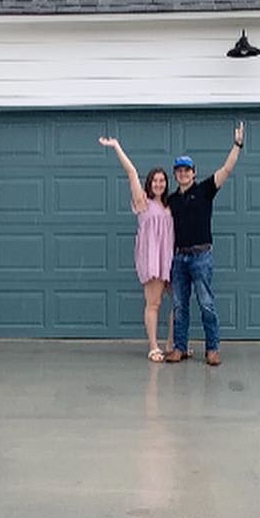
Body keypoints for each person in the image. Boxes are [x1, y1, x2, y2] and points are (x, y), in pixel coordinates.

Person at [166, 122, 245, 366]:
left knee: (206, 304)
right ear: (175, 174)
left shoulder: (205, 190)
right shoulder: (171, 200)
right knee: (180, 306)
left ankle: (212, 349)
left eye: (187, 170)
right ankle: (180, 348)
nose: (183, 174)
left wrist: (237, 145)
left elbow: (227, 169)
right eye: (179, 170)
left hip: (201, 257)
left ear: (194, 172)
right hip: (179, 258)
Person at [99, 137, 174, 362]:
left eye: (162, 181)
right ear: (149, 183)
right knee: (154, 303)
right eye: (155, 181)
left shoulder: (170, 205)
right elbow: (131, 172)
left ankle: (172, 343)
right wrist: (116, 146)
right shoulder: (142, 202)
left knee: (180, 303)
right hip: (152, 259)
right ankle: (153, 346)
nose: (158, 184)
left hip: (169, 258)